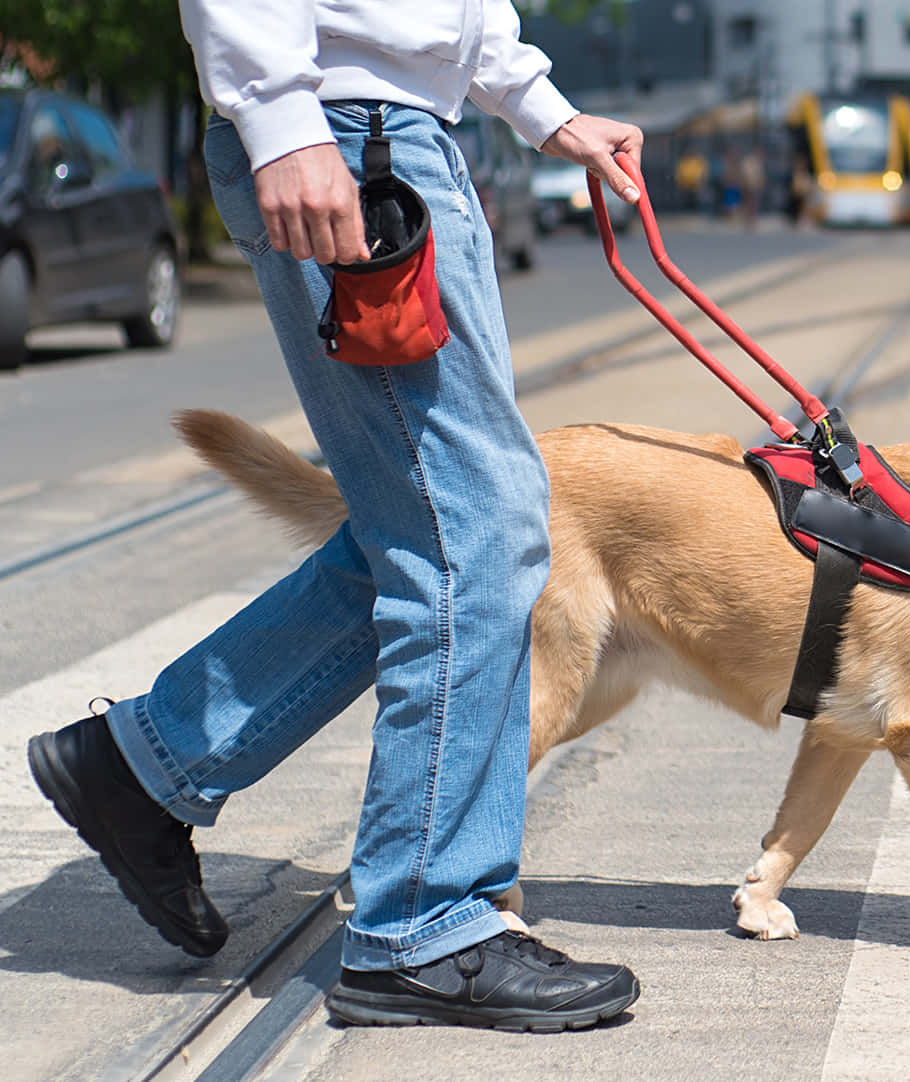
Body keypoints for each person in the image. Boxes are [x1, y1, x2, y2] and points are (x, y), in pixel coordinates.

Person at [26, 0, 645, 1033]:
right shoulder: (311, 119)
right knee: (474, 531)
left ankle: (145, 763)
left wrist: (537, 105)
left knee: (449, 524)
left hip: (399, 135)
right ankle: (423, 923)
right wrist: (281, 116)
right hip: (348, 138)